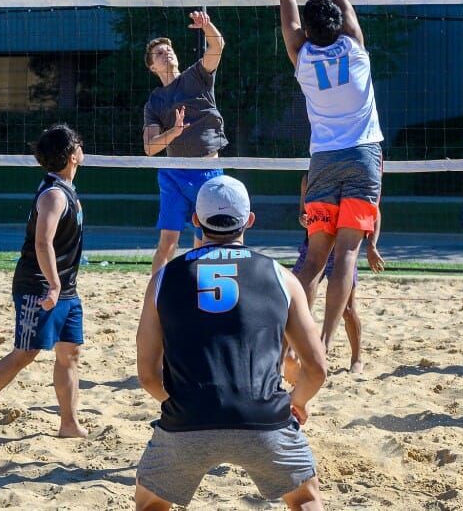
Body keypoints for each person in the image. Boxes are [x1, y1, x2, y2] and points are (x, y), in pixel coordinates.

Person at [242, 0, 384, 353]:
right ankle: (322, 341)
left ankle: (289, 344)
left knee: (314, 259)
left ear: (306, 29)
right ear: (341, 22)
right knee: (345, 254)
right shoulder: (355, 44)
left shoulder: (300, 53)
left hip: (322, 160)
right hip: (362, 157)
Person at [135, 175, 327, 510]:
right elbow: (317, 368)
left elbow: (148, 375)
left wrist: (181, 401)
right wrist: (297, 402)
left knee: (150, 502)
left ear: (195, 220)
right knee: (305, 497)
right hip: (265, 417)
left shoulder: (163, 279)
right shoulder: (283, 278)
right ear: (249, 220)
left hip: (187, 420)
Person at [0, 124, 87, 440]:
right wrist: (54, 285)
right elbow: (42, 243)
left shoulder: (65, 189)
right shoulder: (54, 195)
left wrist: (62, 285)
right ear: (72, 155)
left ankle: (69, 424)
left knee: (69, 353)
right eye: (79, 145)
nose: (82, 148)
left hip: (64, 287)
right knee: (25, 353)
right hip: (39, 286)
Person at [142, 10, 228, 275]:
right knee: (167, 243)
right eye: (159, 53)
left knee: (205, 242)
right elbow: (150, 148)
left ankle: (196, 293)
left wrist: (206, 25)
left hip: (207, 173)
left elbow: (218, 45)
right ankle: (155, 298)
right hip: (174, 172)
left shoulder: (196, 76)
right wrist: (174, 132)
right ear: (152, 67)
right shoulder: (155, 102)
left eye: (169, 50)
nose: (166, 53)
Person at [290, 174, 384, 374]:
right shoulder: (309, 177)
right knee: (296, 303)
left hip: (341, 252)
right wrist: (303, 218)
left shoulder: (353, 174)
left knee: (347, 309)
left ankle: (356, 358)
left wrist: (372, 245)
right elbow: (301, 213)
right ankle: (293, 354)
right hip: (313, 247)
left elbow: (374, 212)